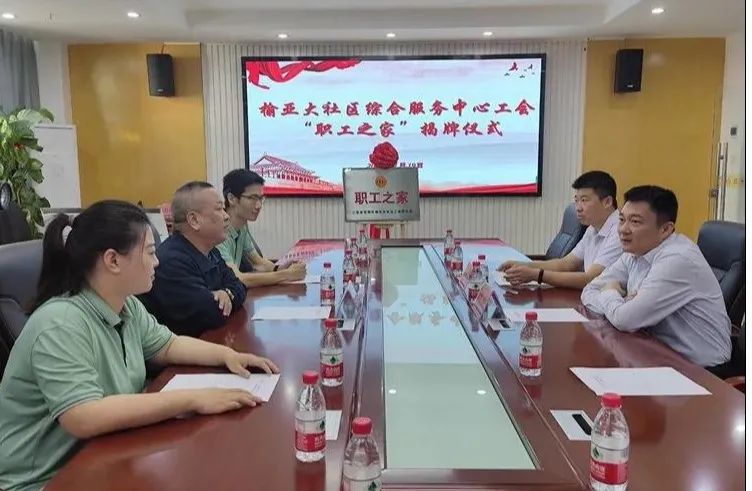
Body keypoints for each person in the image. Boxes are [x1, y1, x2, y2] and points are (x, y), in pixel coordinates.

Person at [0, 201, 279, 491]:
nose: (157, 262)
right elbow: (83, 416)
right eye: (149, 252)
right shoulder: (60, 323)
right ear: (113, 260)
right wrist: (194, 400)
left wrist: (228, 356)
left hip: (102, 457)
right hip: (44, 481)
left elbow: (168, 345)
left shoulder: (127, 305)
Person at [581, 185, 731, 367]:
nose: (623, 229)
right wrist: (622, 304)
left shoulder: (677, 259)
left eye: (635, 222)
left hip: (702, 371)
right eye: (621, 219)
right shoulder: (635, 251)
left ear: (665, 229)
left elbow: (624, 320)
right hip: (654, 352)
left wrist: (611, 293)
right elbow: (589, 291)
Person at [139, 182, 247, 337]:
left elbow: (239, 286)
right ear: (194, 220)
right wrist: (226, 296)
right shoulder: (172, 261)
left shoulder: (211, 251)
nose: (226, 216)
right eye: (219, 209)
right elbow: (211, 313)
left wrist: (227, 293)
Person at [499, 170, 622, 289]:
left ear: (607, 202)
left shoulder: (619, 231)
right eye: (576, 201)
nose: (578, 208)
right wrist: (522, 265)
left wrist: (536, 275)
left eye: (584, 200)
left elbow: (591, 279)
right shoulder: (593, 228)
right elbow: (566, 264)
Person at [219, 169, 306, 287]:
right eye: (252, 198)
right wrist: (286, 275)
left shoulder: (242, 227)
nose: (259, 205)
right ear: (231, 198)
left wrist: (279, 268)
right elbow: (237, 278)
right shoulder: (218, 232)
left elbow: (258, 263)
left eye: (261, 198)